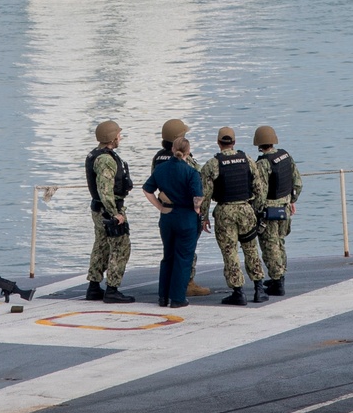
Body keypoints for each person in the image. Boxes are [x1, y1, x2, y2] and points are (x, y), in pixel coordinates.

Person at [199, 128, 269, 306]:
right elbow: (259, 189)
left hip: (224, 212)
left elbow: (205, 195)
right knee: (251, 248)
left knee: (230, 252)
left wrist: (203, 217)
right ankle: (259, 288)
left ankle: (238, 291)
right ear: (234, 142)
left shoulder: (212, 164)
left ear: (218, 142)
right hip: (246, 210)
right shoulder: (248, 160)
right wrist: (257, 210)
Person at [143, 136, 204, 307]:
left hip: (167, 215)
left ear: (172, 150)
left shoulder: (161, 169)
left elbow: (147, 190)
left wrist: (159, 207)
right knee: (184, 258)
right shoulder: (191, 172)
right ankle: (177, 298)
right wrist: (197, 209)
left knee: (168, 256)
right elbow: (197, 197)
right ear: (188, 151)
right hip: (186, 216)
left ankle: (163, 297)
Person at [85, 120, 135, 304]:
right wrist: (115, 214)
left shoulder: (95, 155)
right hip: (108, 211)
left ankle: (93, 286)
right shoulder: (106, 160)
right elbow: (105, 190)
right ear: (112, 138)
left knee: (101, 246)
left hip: (98, 209)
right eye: (118, 134)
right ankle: (112, 289)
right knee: (121, 247)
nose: (120, 137)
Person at [252, 126, 302, 297]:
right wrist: (292, 201)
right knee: (280, 244)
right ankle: (279, 277)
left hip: (270, 211)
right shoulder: (285, 156)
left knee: (270, 246)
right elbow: (298, 183)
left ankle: (277, 282)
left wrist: (256, 212)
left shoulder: (262, 164)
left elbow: (260, 193)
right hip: (285, 207)